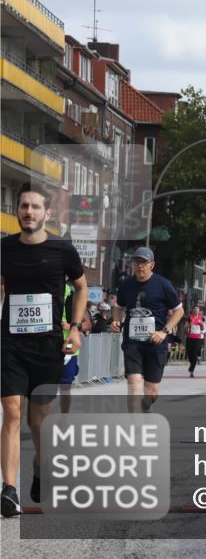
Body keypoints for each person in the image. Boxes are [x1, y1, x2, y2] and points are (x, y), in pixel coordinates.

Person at [1, 184, 87, 516]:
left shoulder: (62, 250)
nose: (29, 211)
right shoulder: (4, 249)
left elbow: (81, 287)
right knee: (11, 411)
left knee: (38, 418)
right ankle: (9, 490)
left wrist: (75, 328)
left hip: (48, 344)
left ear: (47, 213)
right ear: (17, 210)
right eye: (24, 206)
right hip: (10, 342)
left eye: (35, 207)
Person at [112, 247, 184, 414]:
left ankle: (145, 406)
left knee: (152, 393)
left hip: (155, 343)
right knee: (134, 384)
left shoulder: (163, 285)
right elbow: (118, 306)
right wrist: (116, 320)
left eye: (143, 262)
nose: (140, 266)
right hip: (133, 342)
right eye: (137, 262)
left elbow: (179, 311)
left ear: (152, 265)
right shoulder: (126, 285)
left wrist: (164, 331)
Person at [58, 280, 92, 415]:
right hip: (47, 345)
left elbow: (88, 325)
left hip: (69, 348)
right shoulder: (44, 288)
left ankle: (64, 417)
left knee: (65, 387)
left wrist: (72, 326)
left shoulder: (72, 293)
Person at [186, 305, 206, 377]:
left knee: (195, 354)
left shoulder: (201, 318)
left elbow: (204, 328)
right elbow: (185, 326)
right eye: (195, 309)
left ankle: (192, 369)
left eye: (197, 310)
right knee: (189, 353)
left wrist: (202, 325)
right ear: (193, 310)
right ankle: (191, 364)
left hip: (198, 338)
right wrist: (189, 325)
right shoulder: (189, 317)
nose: (196, 311)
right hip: (190, 337)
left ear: (199, 311)